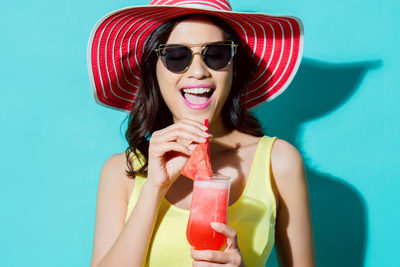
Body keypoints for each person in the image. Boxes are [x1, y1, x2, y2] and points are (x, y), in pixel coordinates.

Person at [87, 0, 315, 266]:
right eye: (176, 57)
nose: (198, 72)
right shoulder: (121, 171)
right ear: (153, 69)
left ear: (235, 67)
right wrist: (154, 188)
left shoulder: (279, 162)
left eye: (216, 54)